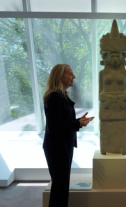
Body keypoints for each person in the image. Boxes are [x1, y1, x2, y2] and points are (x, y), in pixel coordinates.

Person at [42, 64, 94, 207]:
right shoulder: (54, 97)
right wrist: (78, 124)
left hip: (62, 146)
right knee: (59, 187)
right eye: (70, 74)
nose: (74, 77)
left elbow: (61, 123)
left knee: (61, 186)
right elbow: (53, 128)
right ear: (60, 76)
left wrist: (78, 121)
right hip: (57, 148)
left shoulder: (62, 95)